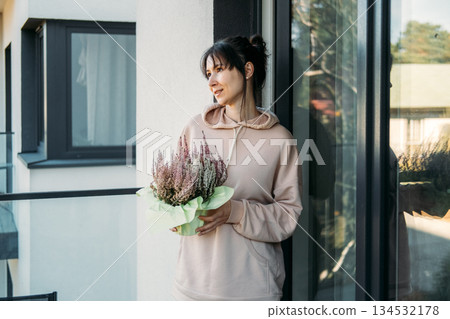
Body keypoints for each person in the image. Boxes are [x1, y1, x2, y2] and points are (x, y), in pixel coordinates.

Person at [171, 34, 303, 301]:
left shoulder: (280, 140)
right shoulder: (195, 129)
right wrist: (173, 210)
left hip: (251, 290)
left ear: (247, 70)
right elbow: (174, 188)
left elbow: (288, 215)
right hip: (192, 287)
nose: (211, 82)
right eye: (208, 74)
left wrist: (235, 211)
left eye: (219, 70)